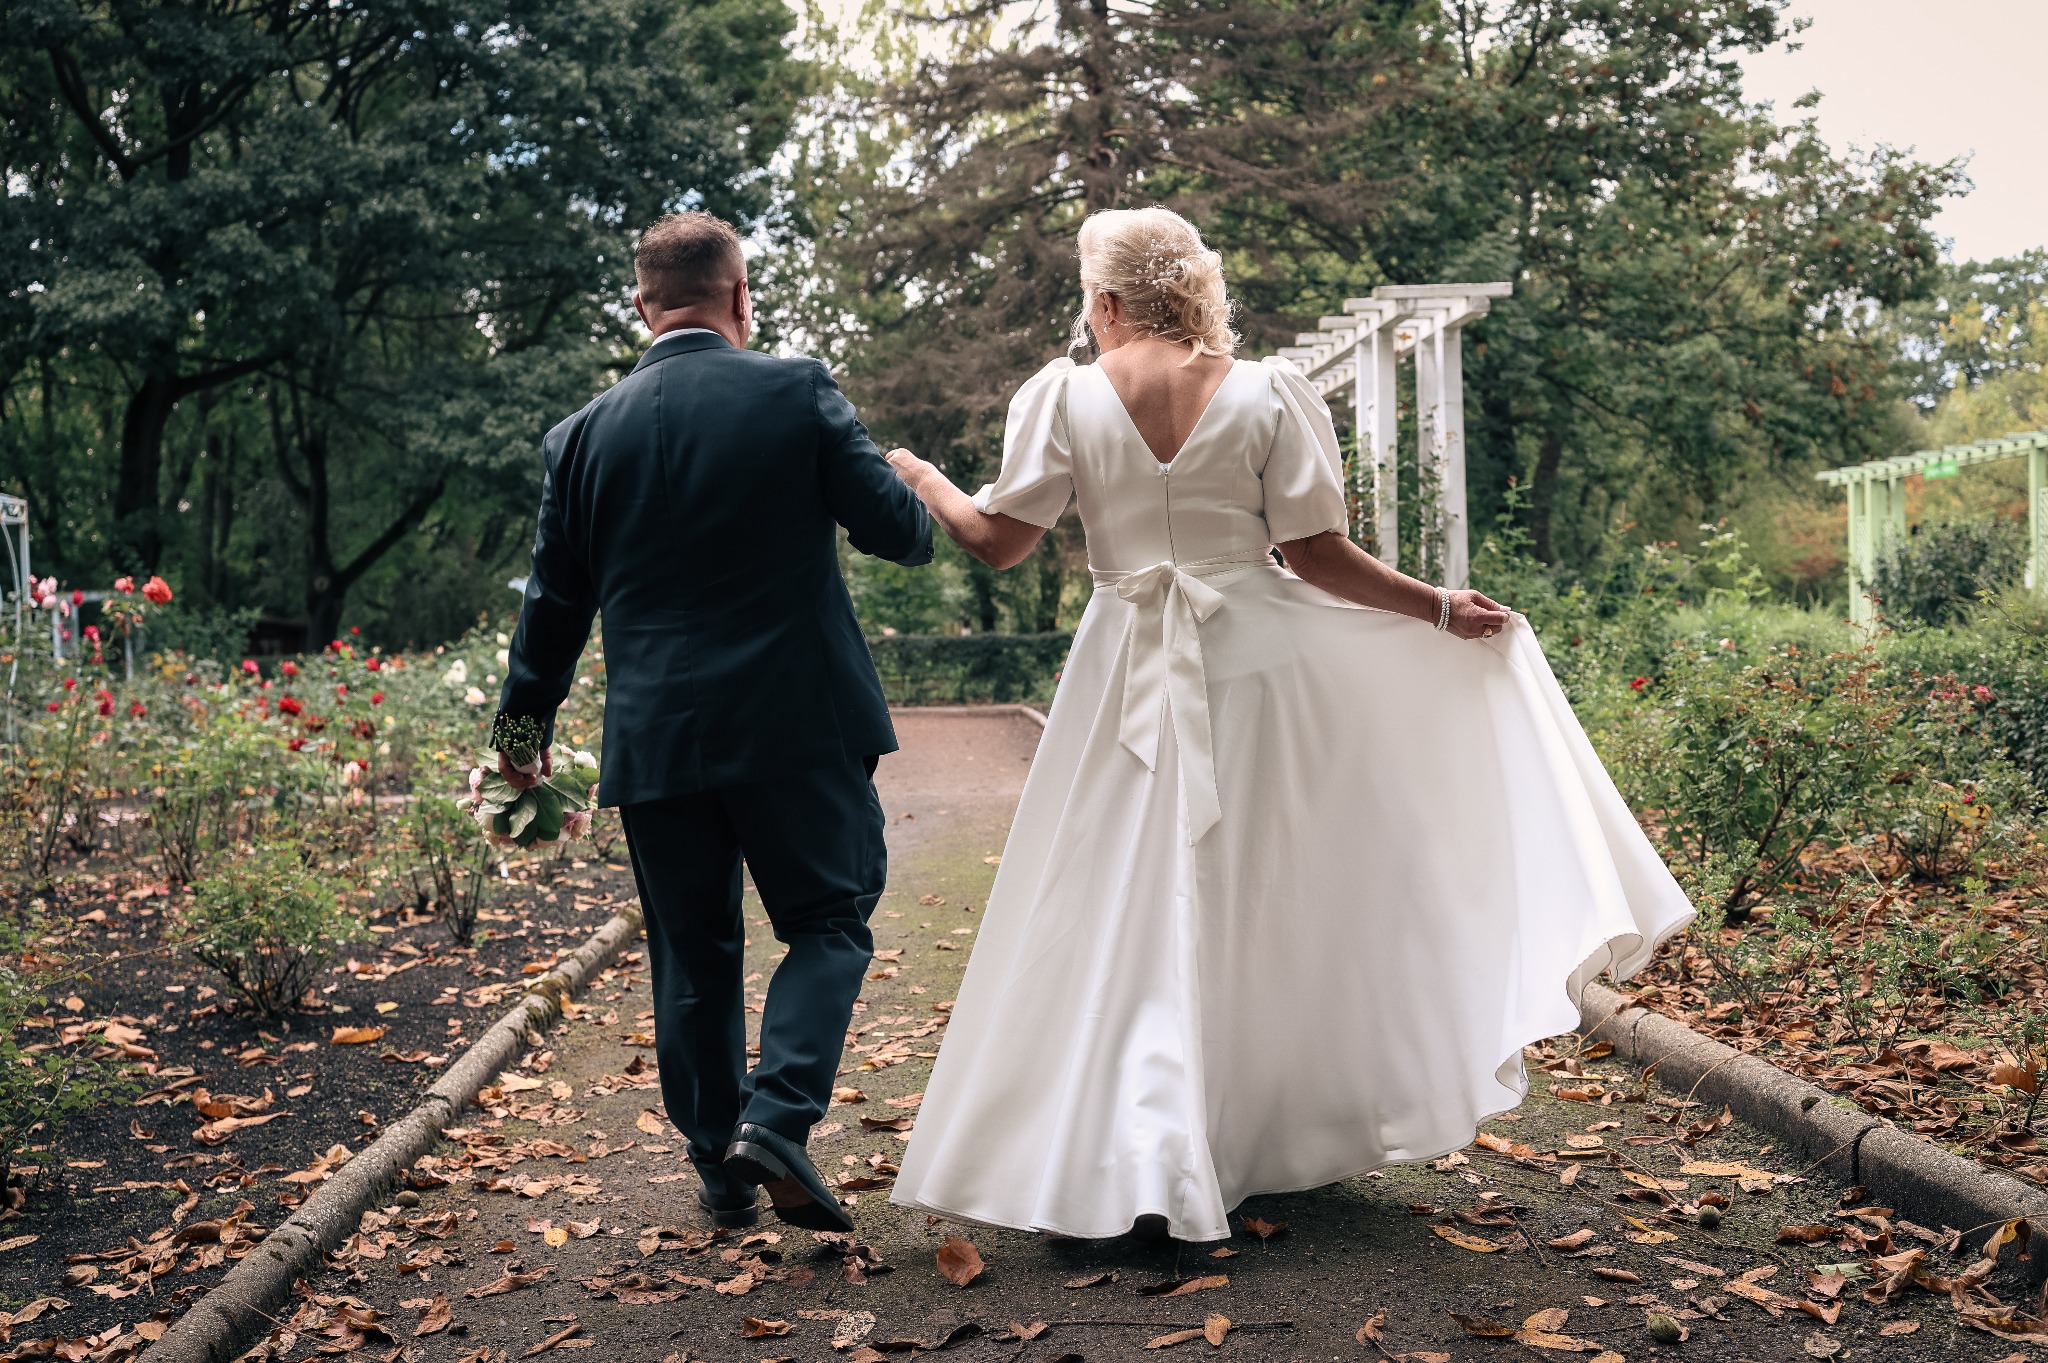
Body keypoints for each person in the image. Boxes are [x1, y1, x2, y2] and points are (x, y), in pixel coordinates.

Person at [885, 207, 1694, 1242]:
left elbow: (996, 542)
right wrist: (1437, 608)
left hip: (1120, 661)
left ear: (1106, 300)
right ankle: (1234, 1134)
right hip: (1254, 664)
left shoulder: (1063, 398)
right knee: (1249, 887)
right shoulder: (1267, 392)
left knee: (1115, 886)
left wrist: (922, 478)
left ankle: (1135, 1151)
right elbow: (1315, 556)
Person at [494, 211, 932, 1233]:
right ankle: (777, 1116)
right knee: (826, 920)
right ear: (740, 297)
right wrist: (899, 477)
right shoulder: (795, 390)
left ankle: (719, 1168)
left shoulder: (580, 438)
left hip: (658, 743)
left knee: (693, 955)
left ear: (640, 305)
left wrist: (522, 739)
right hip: (798, 727)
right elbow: (901, 536)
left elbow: (550, 607)